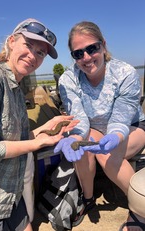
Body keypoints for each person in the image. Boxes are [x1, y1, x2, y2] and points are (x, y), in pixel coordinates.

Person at [0, 18, 79, 231]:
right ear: (11, 41)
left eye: (40, 52)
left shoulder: (16, 88)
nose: (33, 55)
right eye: (29, 45)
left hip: (11, 195)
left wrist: (48, 125)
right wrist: (38, 144)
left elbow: (17, 140)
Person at [54, 20, 145, 230]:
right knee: (82, 147)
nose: (86, 57)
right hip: (94, 127)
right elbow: (78, 117)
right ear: (74, 57)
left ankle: (140, 208)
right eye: (78, 53)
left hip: (131, 126)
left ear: (103, 45)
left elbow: (122, 117)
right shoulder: (68, 79)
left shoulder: (125, 73)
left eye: (92, 48)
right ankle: (88, 199)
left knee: (107, 154)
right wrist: (76, 137)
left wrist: (114, 136)